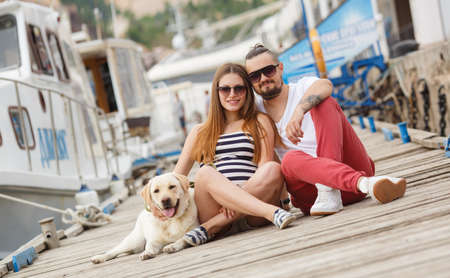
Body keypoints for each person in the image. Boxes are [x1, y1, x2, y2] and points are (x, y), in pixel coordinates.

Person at [244, 44, 407, 216]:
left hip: (348, 178)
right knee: (290, 160)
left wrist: (299, 111)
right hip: (313, 196)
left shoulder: (302, 88)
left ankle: (330, 190)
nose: (262, 78)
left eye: (268, 70)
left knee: (326, 102)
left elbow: (325, 85)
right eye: (254, 76)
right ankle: (364, 183)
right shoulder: (255, 111)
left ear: (280, 68)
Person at [168, 63, 295, 246]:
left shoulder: (259, 121)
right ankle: (269, 212)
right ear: (216, 92)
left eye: (239, 88)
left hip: (254, 214)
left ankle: (210, 228)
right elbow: (176, 179)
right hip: (214, 207)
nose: (232, 94)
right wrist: (152, 207)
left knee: (272, 168)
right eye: (225, 89)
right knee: (204, 173)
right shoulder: (199, 132)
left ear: (247, 91)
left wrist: (235, 201)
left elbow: (263, 168)